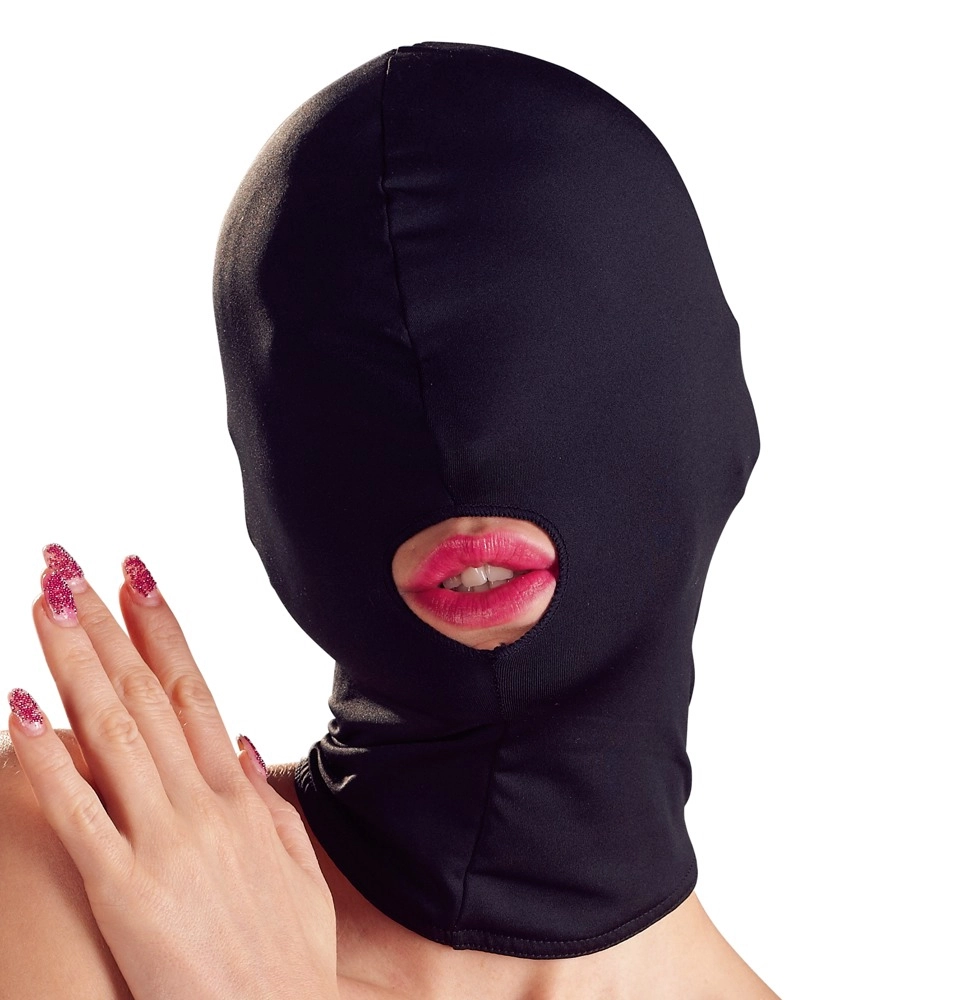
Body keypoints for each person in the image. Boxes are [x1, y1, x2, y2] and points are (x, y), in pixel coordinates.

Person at [1, 42, 780, 998]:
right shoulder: (75, 865)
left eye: (540, 360)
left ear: (706, 413)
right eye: (350, 387)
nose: (455, 448)